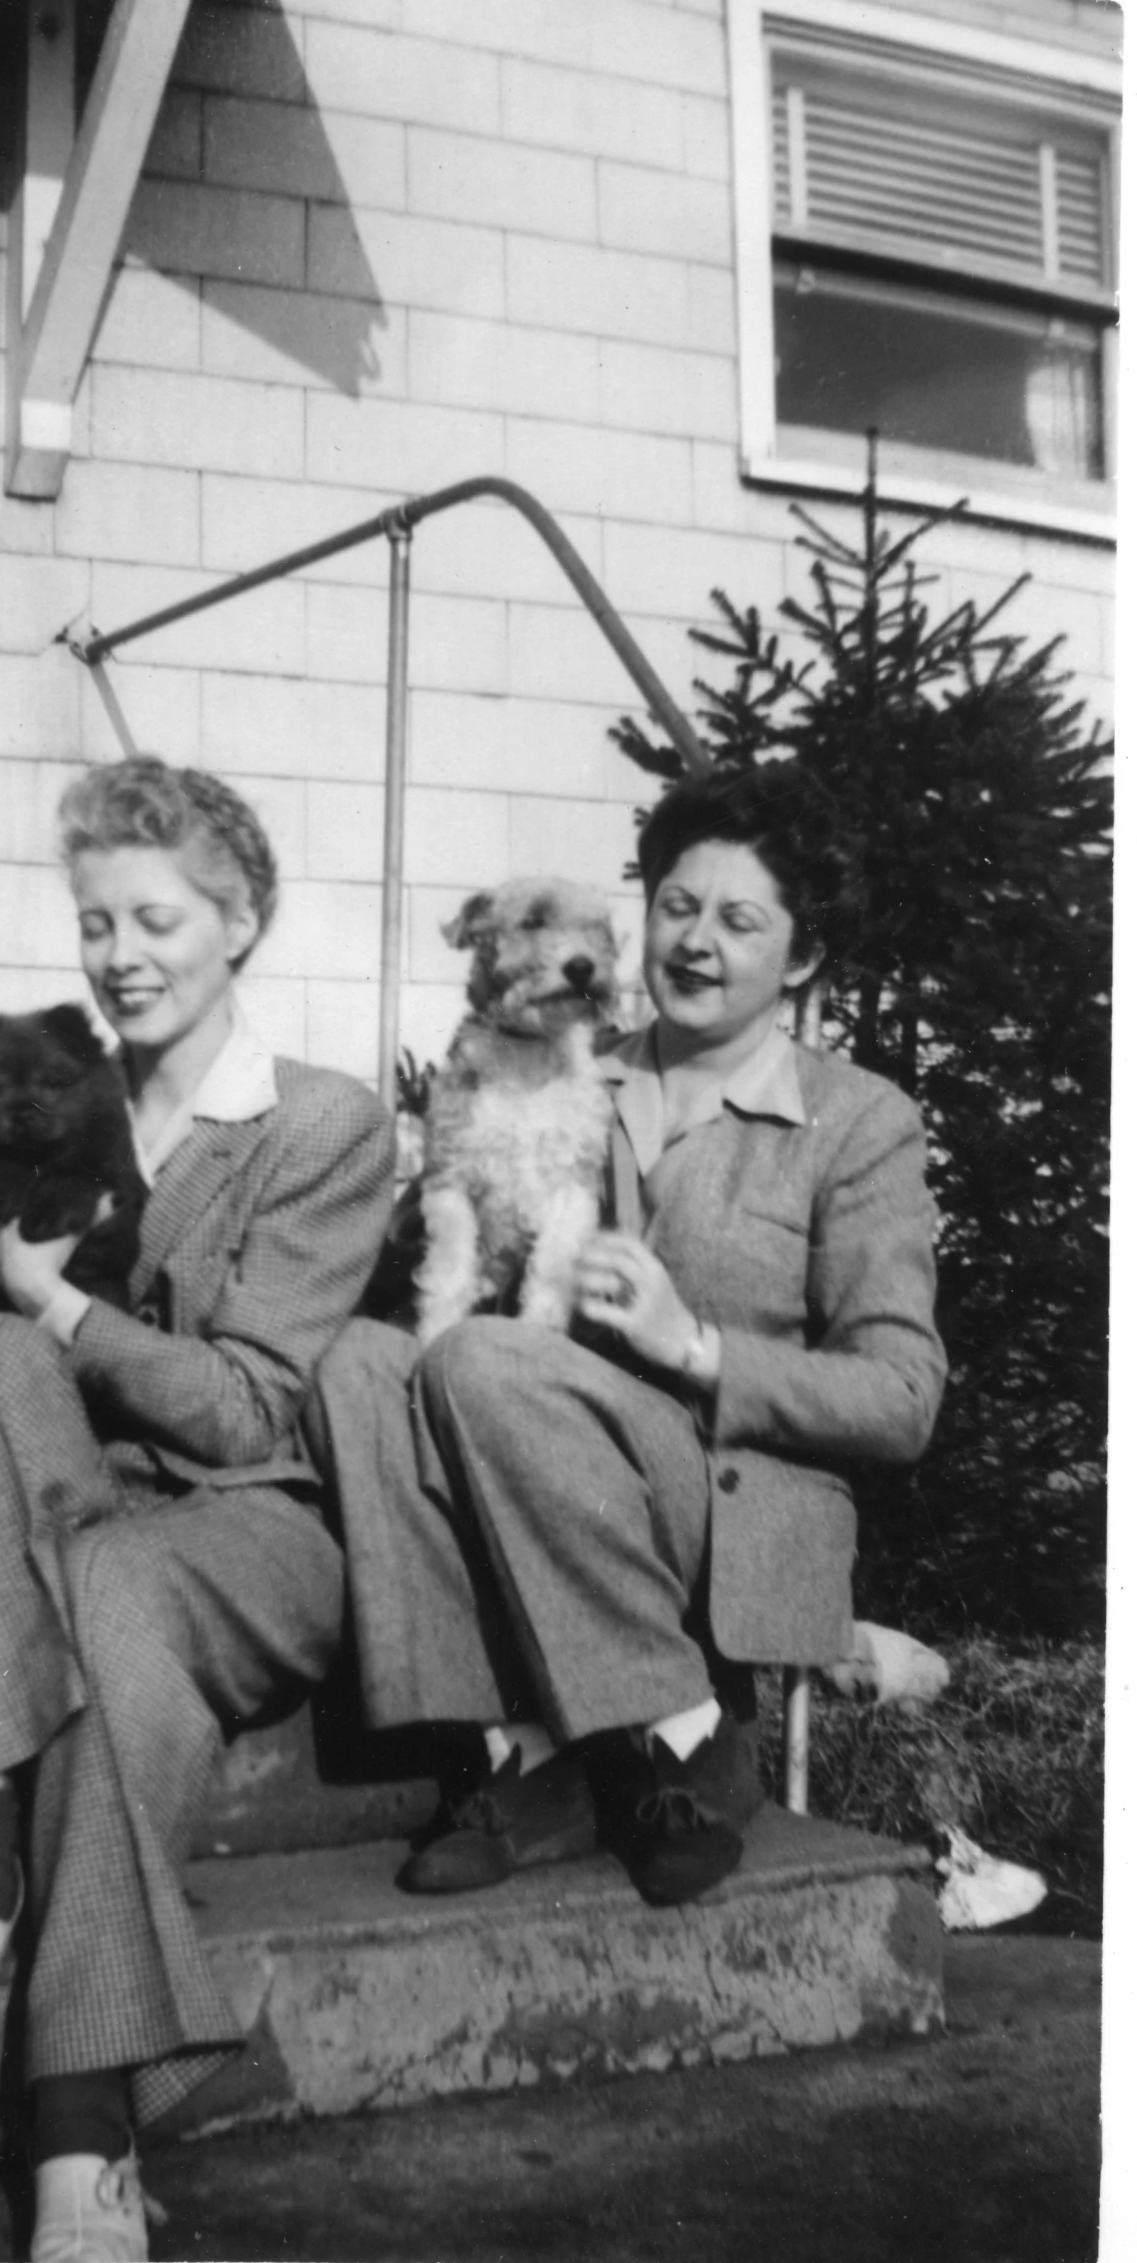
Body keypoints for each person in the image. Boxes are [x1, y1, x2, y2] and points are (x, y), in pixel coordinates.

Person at [0, 759, 394, 2263]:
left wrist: (51, 1300)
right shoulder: (48, 1096)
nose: (120, 951)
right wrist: (10, 1305)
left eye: (156, 915)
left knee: (107, 1580)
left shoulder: (319, 1125)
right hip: (72, 1501)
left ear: (239, 920)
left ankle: (82, 2117)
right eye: (96, 919)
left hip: (246, 1528)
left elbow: (247, 1407)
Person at [306, 763, 946, 1907]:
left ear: (799, 958)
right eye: (676, 907)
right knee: (362, 1362)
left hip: (721, 1498)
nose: (694, 942)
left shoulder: (857, 1122)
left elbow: (900, 1397)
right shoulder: (556, 1064)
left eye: (739, 920)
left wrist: (693, 1343)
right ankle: (519, 1752)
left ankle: (685, 1734)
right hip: (535, 1453)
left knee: (482, 1356)